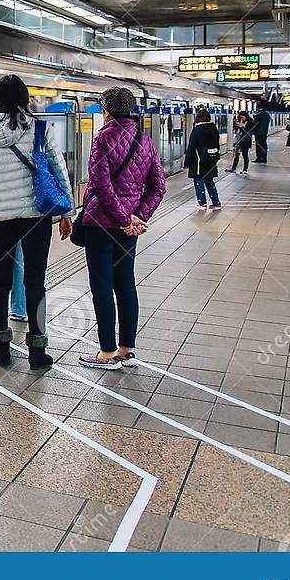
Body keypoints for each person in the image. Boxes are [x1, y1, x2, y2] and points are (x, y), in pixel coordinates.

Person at [0, 74, 73, 368]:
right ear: (25, 99)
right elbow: (58, 170)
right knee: (35, 283)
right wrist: (67, 213)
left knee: (0, 281)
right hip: (36, 217)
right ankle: (37, 351)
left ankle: (1, 348)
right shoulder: (39, 128)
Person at [77, 86, 166, 370]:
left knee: (102, 286)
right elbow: (158, 187)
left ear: (105, 110)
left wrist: (123, 218)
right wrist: (138, 217)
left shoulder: (103, 137)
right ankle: (127, 348)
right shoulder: (145, 139)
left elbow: (101, 185)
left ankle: (106, 351)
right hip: (126, 229)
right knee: (125, 283)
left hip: (101, 224)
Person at [186, 109, 222, 209]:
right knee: (209, 180)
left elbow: (191, 147)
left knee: (199, 180)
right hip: (211, 159)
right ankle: (216, 202)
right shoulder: (213, 129)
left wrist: (187, 162)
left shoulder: (197, 130)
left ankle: (202, 203)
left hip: (199, 161)